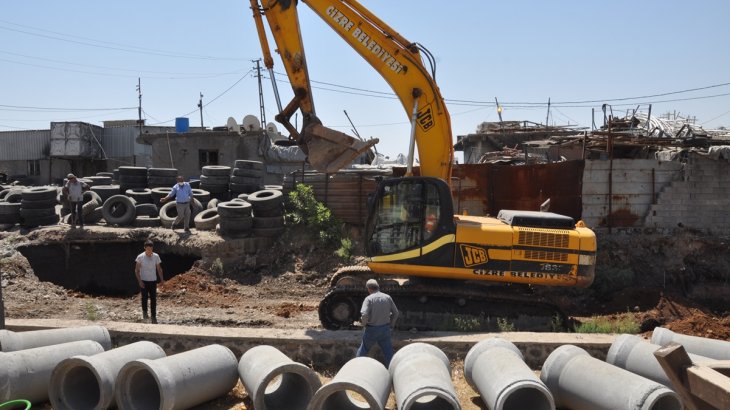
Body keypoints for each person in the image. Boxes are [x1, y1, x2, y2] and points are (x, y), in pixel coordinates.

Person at [356, 279, 399, 367]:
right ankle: (392, 372)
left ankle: (356, 368)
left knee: (363, 350)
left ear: (368, 289)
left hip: (371, 330)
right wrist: (391, 326)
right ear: (378, 287)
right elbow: (396, 313)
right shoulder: (387, 297)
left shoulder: (368, 299)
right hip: (385, 329)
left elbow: (364, 315)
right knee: (388, 352)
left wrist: (364, 325)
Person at [134, 240, 165, 323]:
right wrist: (140, 281)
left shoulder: (156, 256)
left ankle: (153, 316)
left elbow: (159, 269)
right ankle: (145, 313)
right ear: (145, 248)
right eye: (147, 249)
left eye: (150, 249)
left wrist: (162, 280)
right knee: (144, 298)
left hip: (153, 281)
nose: (149, 251)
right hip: (144, 281)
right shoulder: (140, 257)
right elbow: (136, 270)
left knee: (153, 299)